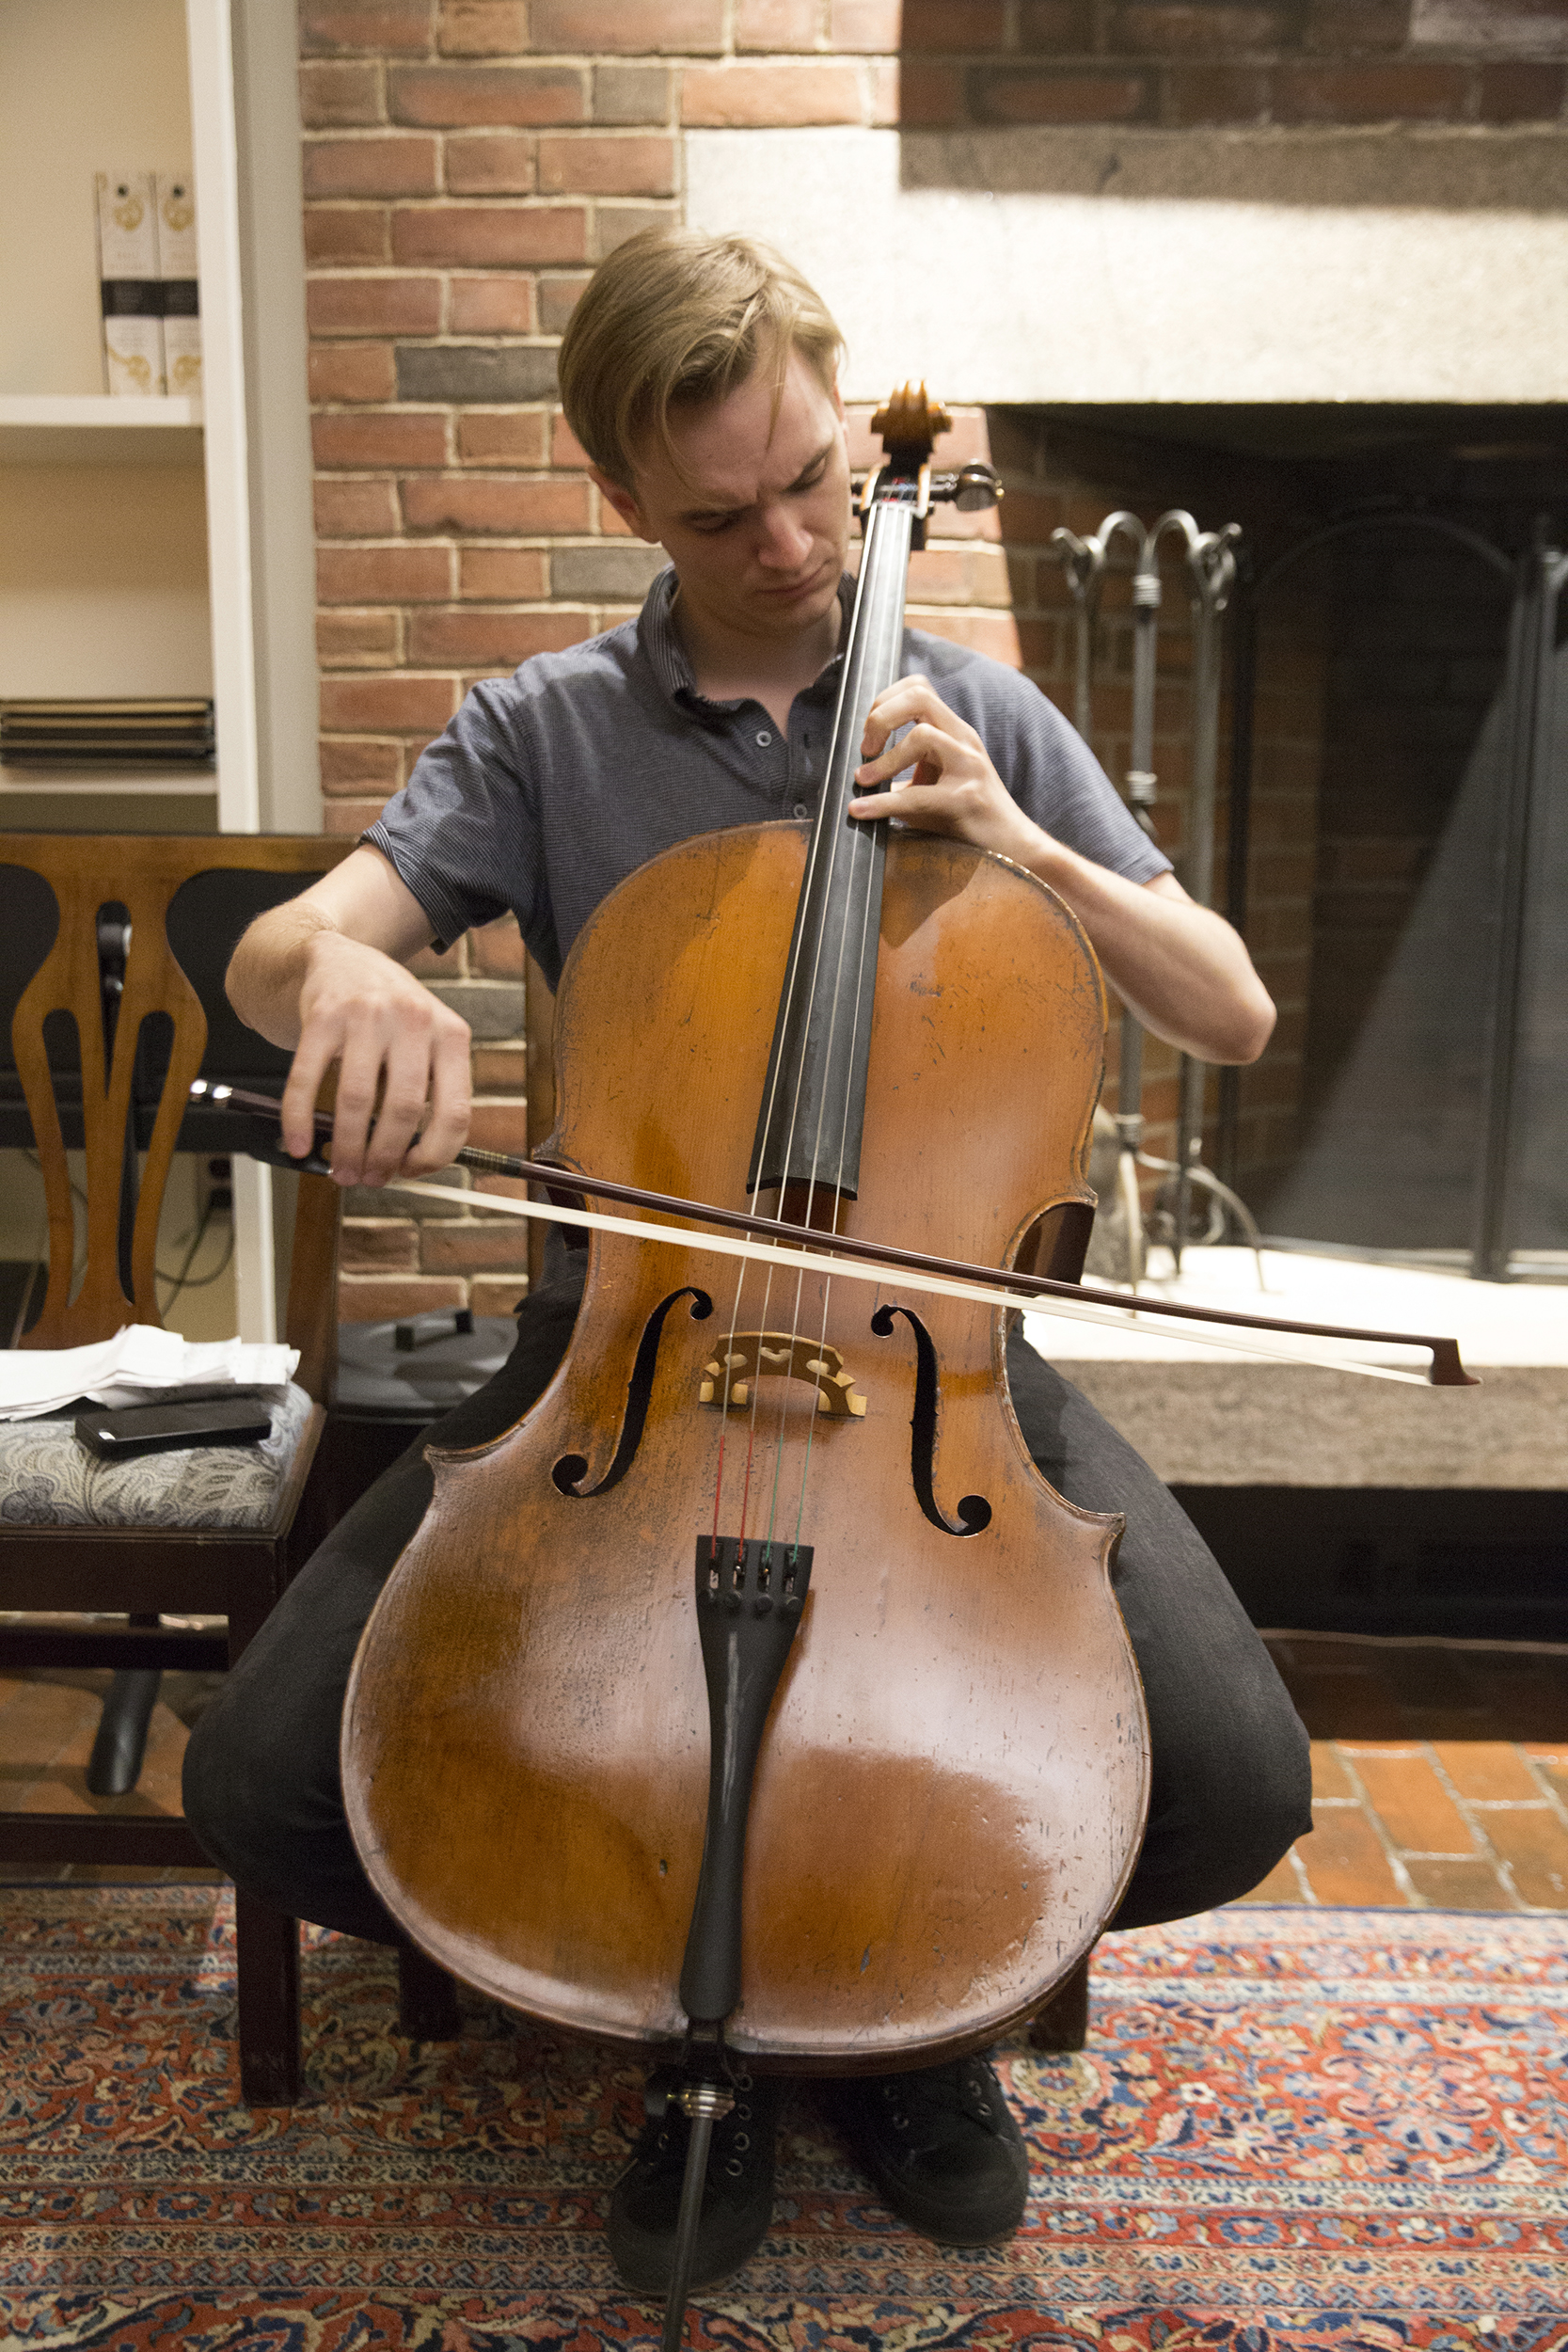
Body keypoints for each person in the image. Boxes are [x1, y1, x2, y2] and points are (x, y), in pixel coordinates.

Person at [188, 228, 1309, 2296]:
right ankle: (653, 1978)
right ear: (624, 501)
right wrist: (352, 973)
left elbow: (1229, 1008)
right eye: (719, 510)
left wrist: (1029, 844)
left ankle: (908, 1993)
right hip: (616, 1349)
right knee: (261, 1779)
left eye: (812, 480)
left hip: (930, 1367)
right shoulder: (540, 732)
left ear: (839, 413)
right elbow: (277, 949)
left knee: (1238, 1784)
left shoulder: (971, 708)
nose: (790, 539)